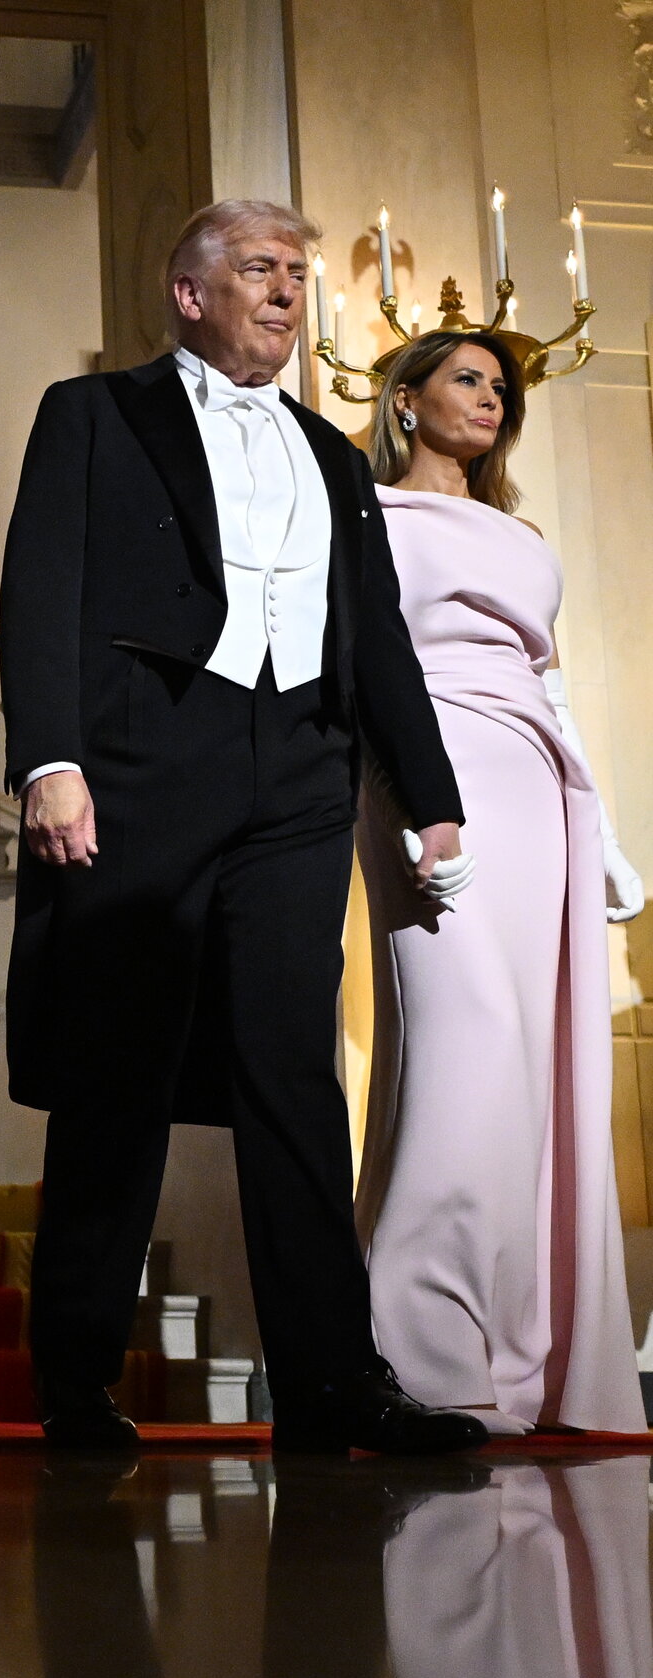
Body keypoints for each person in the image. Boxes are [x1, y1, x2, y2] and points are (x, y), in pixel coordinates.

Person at [0, 199, 488, 1455]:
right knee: (122, 1071)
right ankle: (75, 1378)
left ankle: (331, 1383)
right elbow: (41, 587)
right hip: (143, 762)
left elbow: (374, 631)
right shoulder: (93, 413)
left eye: (298, 276)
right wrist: (51, 758)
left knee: (293, 1074)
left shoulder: (332, 454)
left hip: (298, 776)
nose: (286, 293)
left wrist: (431, 798)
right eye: (262, 270)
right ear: (189, 291)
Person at [355, 330, 647, 1434]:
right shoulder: (366, 516)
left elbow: (551, 687)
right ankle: (423, 1357)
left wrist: (604, 834)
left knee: (533, 1067)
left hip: (540, 794)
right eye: (467, 379)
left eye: (500, 388)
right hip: (426, 780)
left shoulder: (520, 535)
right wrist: (396, 796)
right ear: (406, 398)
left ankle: (525, 1358)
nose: (489, 399)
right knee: (462, 1046)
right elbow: (364, 668)